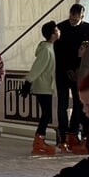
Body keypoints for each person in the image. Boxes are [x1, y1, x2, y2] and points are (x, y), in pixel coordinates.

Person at [54, 3, 89, 153]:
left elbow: (88, 52)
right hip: (62, 72)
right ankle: (63, 134)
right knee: (62, 103)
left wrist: (79, 70)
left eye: (76, 17)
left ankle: (73, 132)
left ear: (82, 16)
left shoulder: (87, 29)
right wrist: (68, 69)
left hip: (80, 72)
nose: (73, 19)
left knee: (78, 103)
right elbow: (58, 51)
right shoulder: (61, 27)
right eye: (71, 16)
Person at [25, 23, 59, 156]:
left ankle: (40, 139)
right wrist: (28, 81)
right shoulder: (46, 50)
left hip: (46, 86)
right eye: (57, 30)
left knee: (47, 114)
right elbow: (38, 67)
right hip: (42, 86)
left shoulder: (50, 47)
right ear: (52, 34)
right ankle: (39, 139)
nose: (59, 32)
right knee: (46, 114)